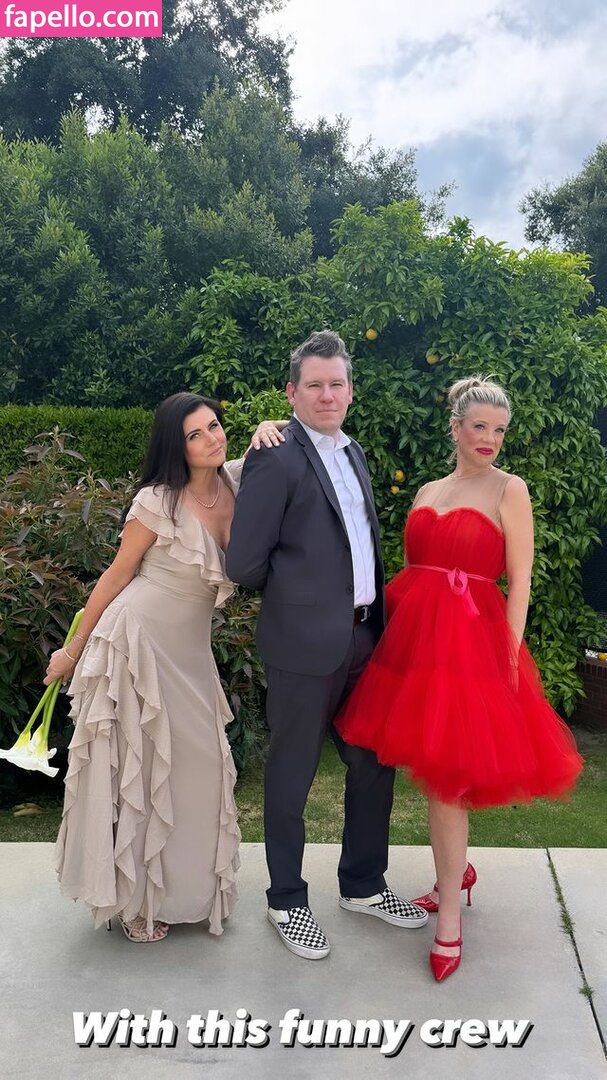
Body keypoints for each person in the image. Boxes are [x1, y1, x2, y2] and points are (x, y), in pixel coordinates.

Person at [335, 375, 584, 981]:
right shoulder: (428, 489)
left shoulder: (510, 489)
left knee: (447, 781)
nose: (489, 439)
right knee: (424, 772)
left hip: (470, 646)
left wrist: (509, 655)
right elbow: (411, 570)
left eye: (499, 430)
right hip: (413, 645)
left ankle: (449, 917)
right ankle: (457, 873)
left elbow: (520, 580)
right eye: (479, 427)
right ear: (456, 427)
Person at [44, 393, 283, 943]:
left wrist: (269, 423)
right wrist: (72, 651)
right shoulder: (157, 501)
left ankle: (183, 892)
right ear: (176, 447)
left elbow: (277, 439)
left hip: (190, 653)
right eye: (195, 434)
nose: (212, 439)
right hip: (138, 645)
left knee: (201, 767)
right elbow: (116, 575)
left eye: (215, 426)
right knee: (144, 770)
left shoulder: (236, 481)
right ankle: (138, 901)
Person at [225, 329, 428, 961]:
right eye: (313, 385)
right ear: (292, 392)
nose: (326, 395)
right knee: (292, 774)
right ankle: (287, 900)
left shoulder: (353, 451)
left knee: (372, 765)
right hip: (302, 645)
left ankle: (363, 885)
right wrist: (304, 601)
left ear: (350, 390)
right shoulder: (275, 455)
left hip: (365, 639)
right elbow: (244, 563)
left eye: (336, 383)